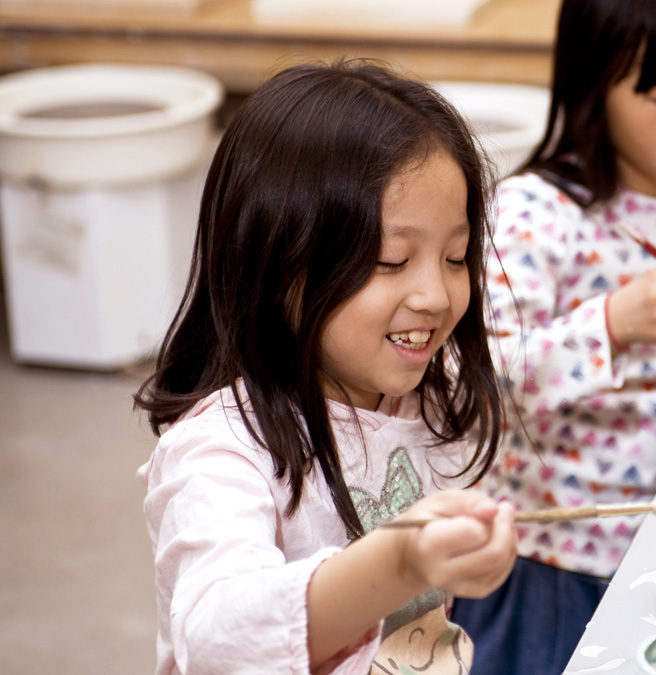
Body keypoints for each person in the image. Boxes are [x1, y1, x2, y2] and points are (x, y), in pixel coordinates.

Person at [134, 60, 518, 675]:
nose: (436, 296)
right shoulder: (222, 450)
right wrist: (400, 563)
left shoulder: (424, 393)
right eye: (392, 260)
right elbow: (215, 637)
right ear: (278, 262)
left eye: (454, 255)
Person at [450, 1, 656, 672]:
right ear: (594, 86)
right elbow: (468, 382)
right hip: (561, 567)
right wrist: (612, 325)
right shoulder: (540, 214)